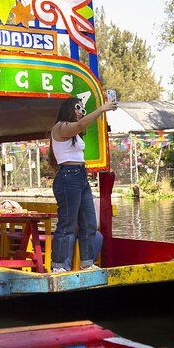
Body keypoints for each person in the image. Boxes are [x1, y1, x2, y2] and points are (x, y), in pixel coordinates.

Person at [48, 97, 117, 273]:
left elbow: (81, 127)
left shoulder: (74, 134)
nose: (80, 112)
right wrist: (102, 109)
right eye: (78, 107)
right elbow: (79, 125)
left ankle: (87, 262)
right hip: (68, 177)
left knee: (89, 222)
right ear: (69, 109)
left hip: (80, 176)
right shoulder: (60, 127)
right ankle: (60, 265)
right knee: (67, 223)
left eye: (82, 109)